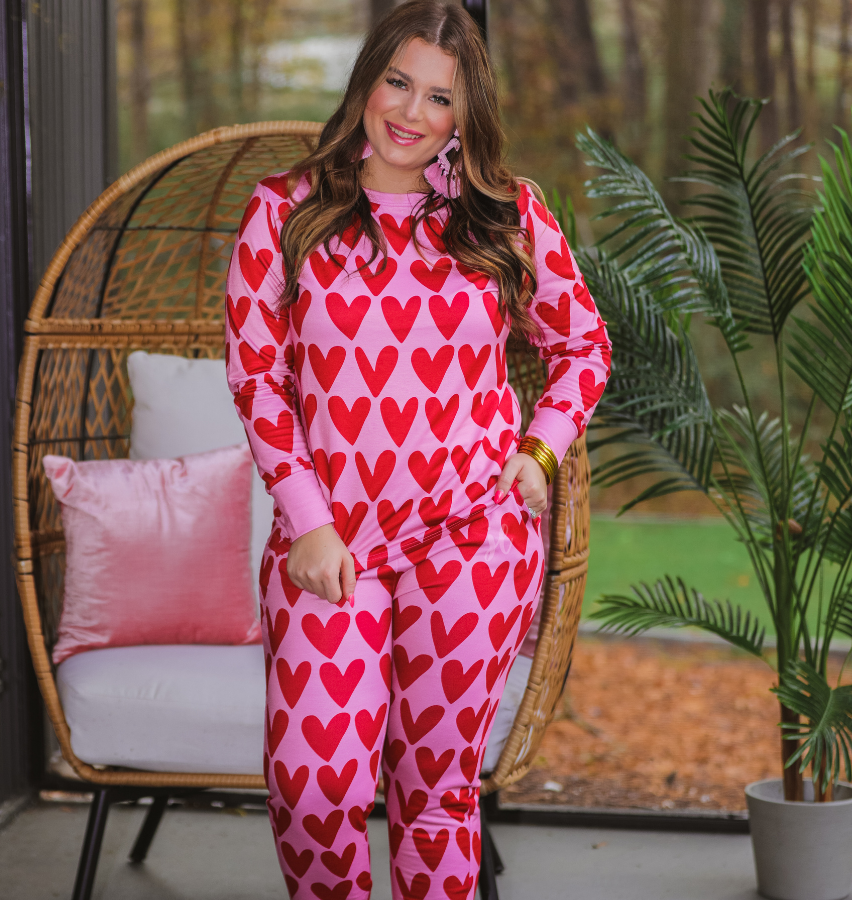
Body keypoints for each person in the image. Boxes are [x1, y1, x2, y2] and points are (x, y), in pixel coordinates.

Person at [225, 2, 610, 896]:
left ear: (467, 112)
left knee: (436, 799)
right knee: (314, 786)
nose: (411, 112)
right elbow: (258, 380)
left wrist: (539, 454)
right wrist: (310, 522)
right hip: (333, 546)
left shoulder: (504, 214)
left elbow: (582, 346)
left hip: (473, 540)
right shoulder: (283, 209)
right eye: (398, 82)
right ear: (367, 81)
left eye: (441, 96)